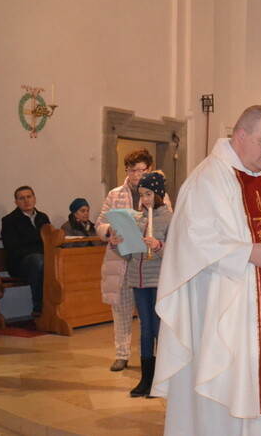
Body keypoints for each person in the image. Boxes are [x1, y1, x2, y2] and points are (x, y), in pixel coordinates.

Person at [151, 105, 261, 435]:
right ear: (241, 136)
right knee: (226, 391)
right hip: (226, 311)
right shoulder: (207, 178)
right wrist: (245, 253)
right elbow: (193, 239)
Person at [95, 149, 171, 372]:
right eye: (132, 169)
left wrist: (155, 242)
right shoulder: (115, 194)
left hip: (149, 264)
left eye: (141, 169)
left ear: (148, 168)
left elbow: (167, 225)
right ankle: (121, 354)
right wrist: (111, 231)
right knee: (121, 309)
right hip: (121, 259)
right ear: (126, 170)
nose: (136, 174)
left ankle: (152, 358)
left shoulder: (160, 194)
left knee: (149, 318)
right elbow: (100, 222)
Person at [109, 172, 172, 398]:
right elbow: (128, 255)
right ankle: (146, 378)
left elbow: (177, 253)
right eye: (142, 194)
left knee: (158, 329)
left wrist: (158, 245)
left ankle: (161, 379)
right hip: (139, 280)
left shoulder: (170, 218)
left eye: (148, 194)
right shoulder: (136, 219)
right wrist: (117, 244)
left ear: (159, 194)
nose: (144, 199)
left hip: (159, 280)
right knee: (145, 329)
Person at [1, 186, 51, 315]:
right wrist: (40, 252)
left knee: (61, 260)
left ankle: (60, 306)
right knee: (38, 261)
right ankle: (40, 308)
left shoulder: (43, 217)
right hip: (20, 264)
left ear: (34, 199)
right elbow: (13, 249)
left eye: (29, 197)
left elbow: (50, 240)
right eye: (21, 198)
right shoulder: (9, 220)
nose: (26, 201)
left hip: (43, 258)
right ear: (16, 202)